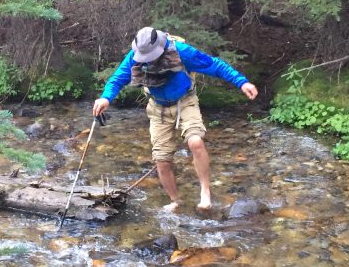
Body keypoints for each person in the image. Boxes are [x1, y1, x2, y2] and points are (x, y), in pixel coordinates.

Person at [92, 27, 258, 211]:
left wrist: (242, 82)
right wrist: (106, 97)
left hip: (185, 102)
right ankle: (176, 200)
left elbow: (215, 65)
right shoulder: (135, 56)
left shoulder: (182, 52)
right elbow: (118, 78)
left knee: (195, 142)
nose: (147, 60)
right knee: (162, 160)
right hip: (157, 108)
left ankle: (205, 192)